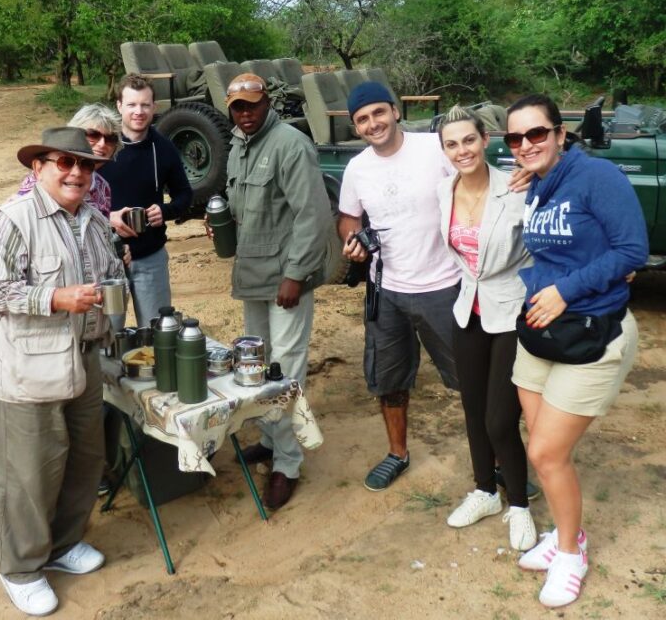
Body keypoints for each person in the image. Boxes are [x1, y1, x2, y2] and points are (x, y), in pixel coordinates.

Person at [0, 127, 125, 616]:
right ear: (38, 168)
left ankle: (62, 544)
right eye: (65, 162)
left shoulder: (95, 220)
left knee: (84, 458)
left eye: (86, 164)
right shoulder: (12, 220)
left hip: (85, 357)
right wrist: (55, 298)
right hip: (28, 365)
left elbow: (112, 275)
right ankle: (19, 567)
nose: (77, 172)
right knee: (30, 471)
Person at [504, 94, 648, 608]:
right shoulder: (539, 182)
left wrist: (567, 290)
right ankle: (570, 533)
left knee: (546, 452)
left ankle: (570, 553)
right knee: (544, 449)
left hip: (591, 332)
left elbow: (632, 250)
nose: (525, 144)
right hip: (542, 331)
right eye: (515, 138)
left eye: (536, 134)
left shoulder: (597, 177)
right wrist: (533, 179)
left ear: (561, 134)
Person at [338, 82, 462, 492]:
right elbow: (348, 218)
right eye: (362, 119)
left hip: (444, 285)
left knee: (470, 376)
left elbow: (473, 189)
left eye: (378, 112)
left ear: (394, 111)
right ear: (356, 127)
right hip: (385, 289)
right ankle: (397, 453)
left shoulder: (434, 149)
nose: (372, 123)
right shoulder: (357, 168)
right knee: (388, 379)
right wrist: (353, 241)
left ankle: (496, 459)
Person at [217, 72, 331, 510]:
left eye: (252, 105)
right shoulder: (238, 146)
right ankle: (269, 439)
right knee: (257, 365)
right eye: (238, 107)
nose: (245, 113)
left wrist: (296, 275)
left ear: (267, 104)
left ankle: (287, 463)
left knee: (285, 373)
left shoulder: (290, 144)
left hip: (285, 279)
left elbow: (313, 216)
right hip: (254, 274)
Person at [436, 106, 536, 552]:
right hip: (468, 310)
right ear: (444, 151)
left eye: (468, 140)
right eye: (452, 144)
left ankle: (520, 505)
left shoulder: (516, 187)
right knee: (473, 410)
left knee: (500, 419)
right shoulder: (443, 190)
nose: (462, 150)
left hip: (511, 309)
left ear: (485, 140)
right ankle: (485, 491)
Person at [99, 73, 193, 327]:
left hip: (150, 257)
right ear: (119, 106)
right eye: (131, 104)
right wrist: (108, 218)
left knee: (157, 333)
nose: (138, 112)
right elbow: (77, 203)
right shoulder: (103, 147)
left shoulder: (164, 148)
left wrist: (165, 211)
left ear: (154, 107)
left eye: (144, 105)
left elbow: (185, 195)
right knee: (107, 335)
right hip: (106, 259)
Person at [16, 103, 121, 218]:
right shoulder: (41, 180)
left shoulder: (102, 186)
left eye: (110, 139)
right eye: (93, 135)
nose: (102, 144)